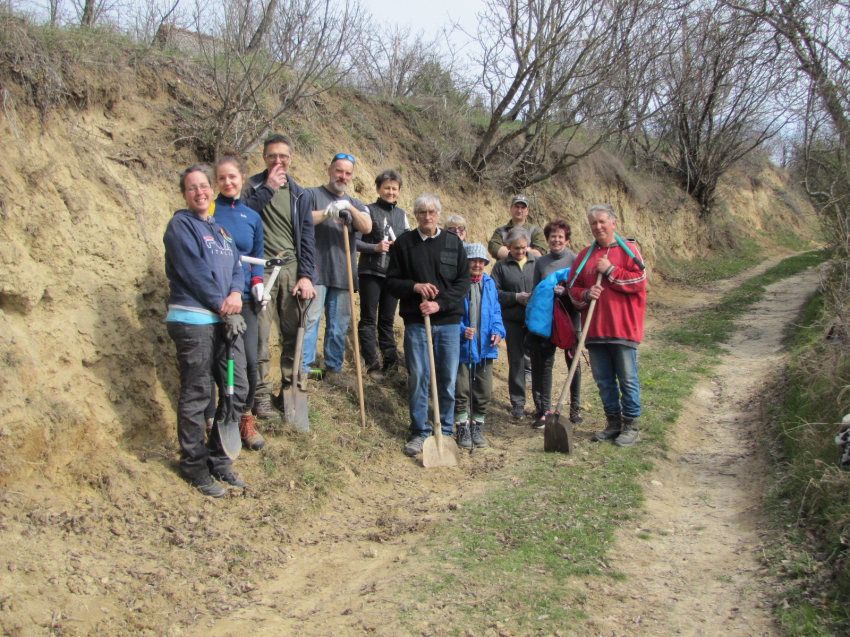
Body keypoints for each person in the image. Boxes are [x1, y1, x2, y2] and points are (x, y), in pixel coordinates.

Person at [163, 165, 249, 498]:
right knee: (198, 393)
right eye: (191, 188)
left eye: (203, 186)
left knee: (236, 387)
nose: (200, 192)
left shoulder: (222, 231)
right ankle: (194, 465)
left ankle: (219, 458)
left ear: (211, 190)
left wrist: (237, 295)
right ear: (184, 194)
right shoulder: (180, 226)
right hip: (194, 322)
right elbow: (194, 273)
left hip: (224, 323)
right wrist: (221, 304)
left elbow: (237, 269)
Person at [384, 194, 470, 457]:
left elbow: (463, 283)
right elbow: (391, 282)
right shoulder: (404, 244)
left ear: (439, 214)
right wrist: (415, 286)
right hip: (416, 323)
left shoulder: (453, 243)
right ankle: (420, 431)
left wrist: (439, 304)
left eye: (432, 212)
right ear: (416, 215)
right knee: (419, 376)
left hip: (447, 323)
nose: (427, 216)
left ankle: (443, 430)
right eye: (422, 212)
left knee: (446, 378)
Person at [242, 134, 317, 422]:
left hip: (291, 272)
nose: (277, 161)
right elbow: (243, 216)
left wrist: (306, 275)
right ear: (263, 158)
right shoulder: (250, 187)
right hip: (260, 271)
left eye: (283, 156)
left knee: (293, 335)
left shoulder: (301, 194)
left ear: (291, 158)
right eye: (272, 156)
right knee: (259, 337)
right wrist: (269, 189)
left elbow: (308, 238)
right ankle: (260, 396)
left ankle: (290, 390)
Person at [568, 203, 647, 446]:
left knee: (627, 379)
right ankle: (613, 423)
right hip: (595, 330)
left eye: (602, 221)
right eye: (593, 223)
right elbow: (573, 288)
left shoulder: (629, 250)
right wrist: (586, 294)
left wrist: (611, 270)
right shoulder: (584, 256)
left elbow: (640, 280)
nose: (598, 226)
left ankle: (630, 424)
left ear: (613, 222)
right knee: (603, 381)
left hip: (623, 328)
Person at [206, 154, 267, 451]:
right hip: (215, 299)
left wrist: (257, 283)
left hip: (244, 299)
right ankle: (218, 415)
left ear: (243, 178)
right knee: (223, 361)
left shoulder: (253, 217)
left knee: (249, 361)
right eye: (222, 178)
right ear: (216, 182)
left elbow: (258, 255)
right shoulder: (209, 209)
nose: (228, 182)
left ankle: (244, 415)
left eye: (233, 176)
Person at [303, 154, 372, 386]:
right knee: (311, 320)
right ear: (329, 169)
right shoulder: (311, 194)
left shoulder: (356, 202)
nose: (343, 176)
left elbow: (367, 226)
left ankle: (333, 369)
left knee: (339, 325)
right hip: (316, 272)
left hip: (344, 275)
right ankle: (304, 369)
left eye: (348, 173)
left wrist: (349, 208)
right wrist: (328, 212)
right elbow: (301, 219)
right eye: (339, 171)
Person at [527, 219, 582, 429]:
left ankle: (575, 408)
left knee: (573, 363)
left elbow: (580, 289)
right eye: (553, 236)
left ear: (567, 240)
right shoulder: (540, 263)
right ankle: (545, 410)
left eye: (560, 236)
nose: (556, 240)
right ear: (547, 240)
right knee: (545, 366)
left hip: (570, 319)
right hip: (547, 322)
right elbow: (536, 291)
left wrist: (566, 292)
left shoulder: (576, 260)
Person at [356, 169, 410, 381]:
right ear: (378, 189)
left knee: (387, 320)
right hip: (370, 271)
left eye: (394, 188)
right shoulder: (367, 210)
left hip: (392, 275)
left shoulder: (402, 215)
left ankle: (391, 365)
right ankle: (372, 365)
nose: (390, 192)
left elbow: (407, 243)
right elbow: (355, 242)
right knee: (369, 318)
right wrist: (374, 248)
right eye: (386, 187)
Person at [454, 243, 505, 449]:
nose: (477, 264)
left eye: (481, 261)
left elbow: (496, 313)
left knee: (484, 390)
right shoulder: (457, 283)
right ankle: (462, 427)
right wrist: (461, 330)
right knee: (461, 388)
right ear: (465, 263)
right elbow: (450, 312)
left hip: (485, 347)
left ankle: (477, 426)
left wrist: (498, 331)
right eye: (473, 260)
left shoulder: (490, 283)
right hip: (463, 346)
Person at [490, 227, 537, 420]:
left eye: (524, 248)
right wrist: (516, 297)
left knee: (538, 361)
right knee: (516, 361)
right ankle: (518, 404)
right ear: (508, 247)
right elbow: (494, 294)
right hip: (512, 321)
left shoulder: (536, 263)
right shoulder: (500, 267)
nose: (520, 252)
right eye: (516, 248)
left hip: (535, 321)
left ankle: (541, 404)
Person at [487, 195, 547, 260]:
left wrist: (509, 251)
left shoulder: (536, 232)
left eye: (523, 208)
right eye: (517, 207)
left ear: (527, 211)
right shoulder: (500, 231)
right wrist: (527, 251)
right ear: (511, 208)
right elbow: (494, 249)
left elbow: (539, 253)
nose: (519, 210)